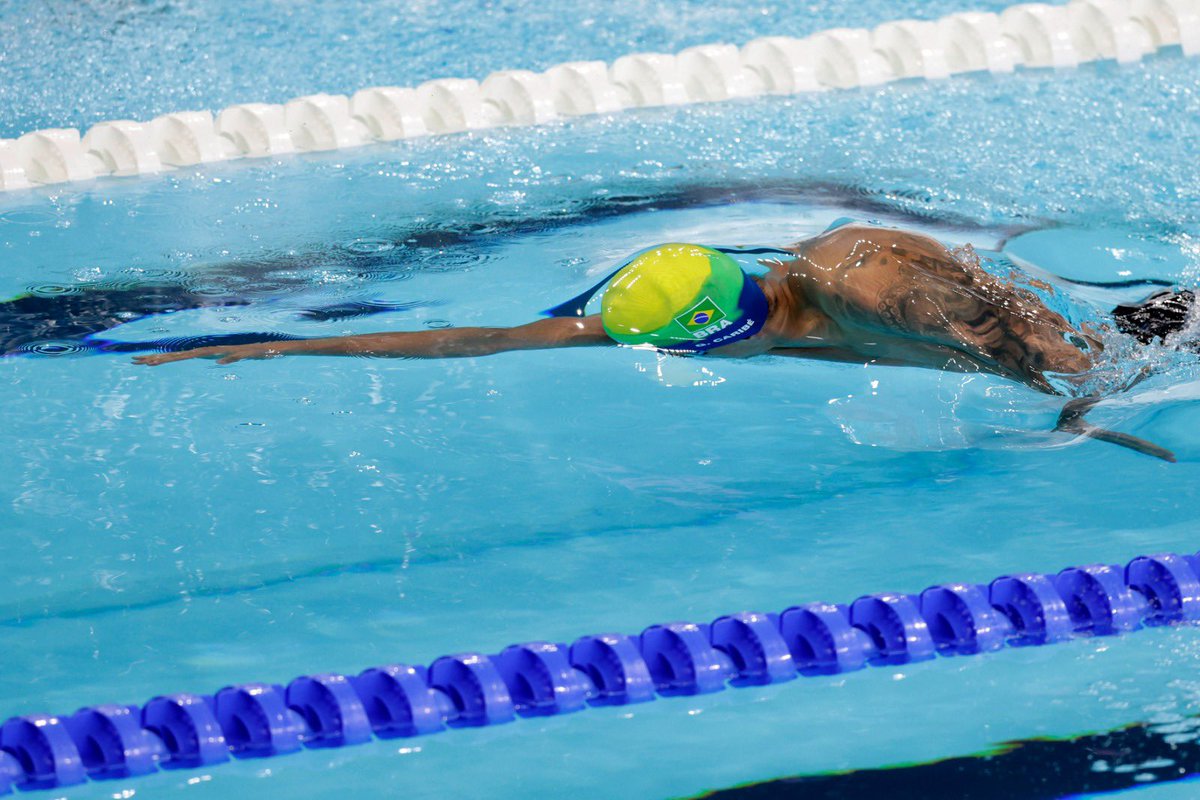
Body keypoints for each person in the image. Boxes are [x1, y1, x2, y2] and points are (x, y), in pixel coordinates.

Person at [134, 221, 1191, 460]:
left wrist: (1079, 393)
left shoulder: (860, 283)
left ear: (732, 325)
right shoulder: (738, 318)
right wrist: (273, 348)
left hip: (1129, 326)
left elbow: (1020, 319)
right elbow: (484, 339)